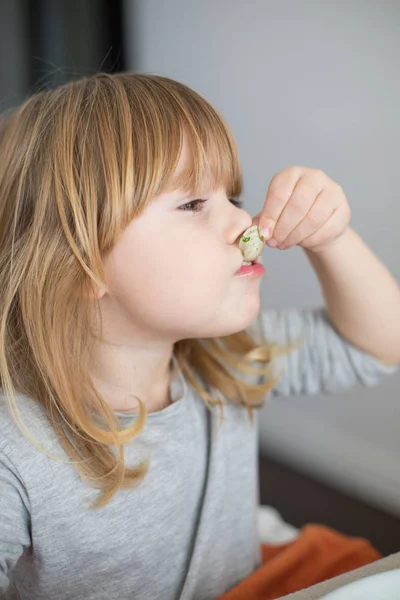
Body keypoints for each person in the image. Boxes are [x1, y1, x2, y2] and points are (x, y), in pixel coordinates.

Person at [0, 72, 398, 600]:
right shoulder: (16, 455)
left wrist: (333, 238)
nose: (244, 221)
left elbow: (378, 344)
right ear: (80, 265)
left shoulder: (224, 360)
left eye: (232, 196)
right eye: (193, 205)